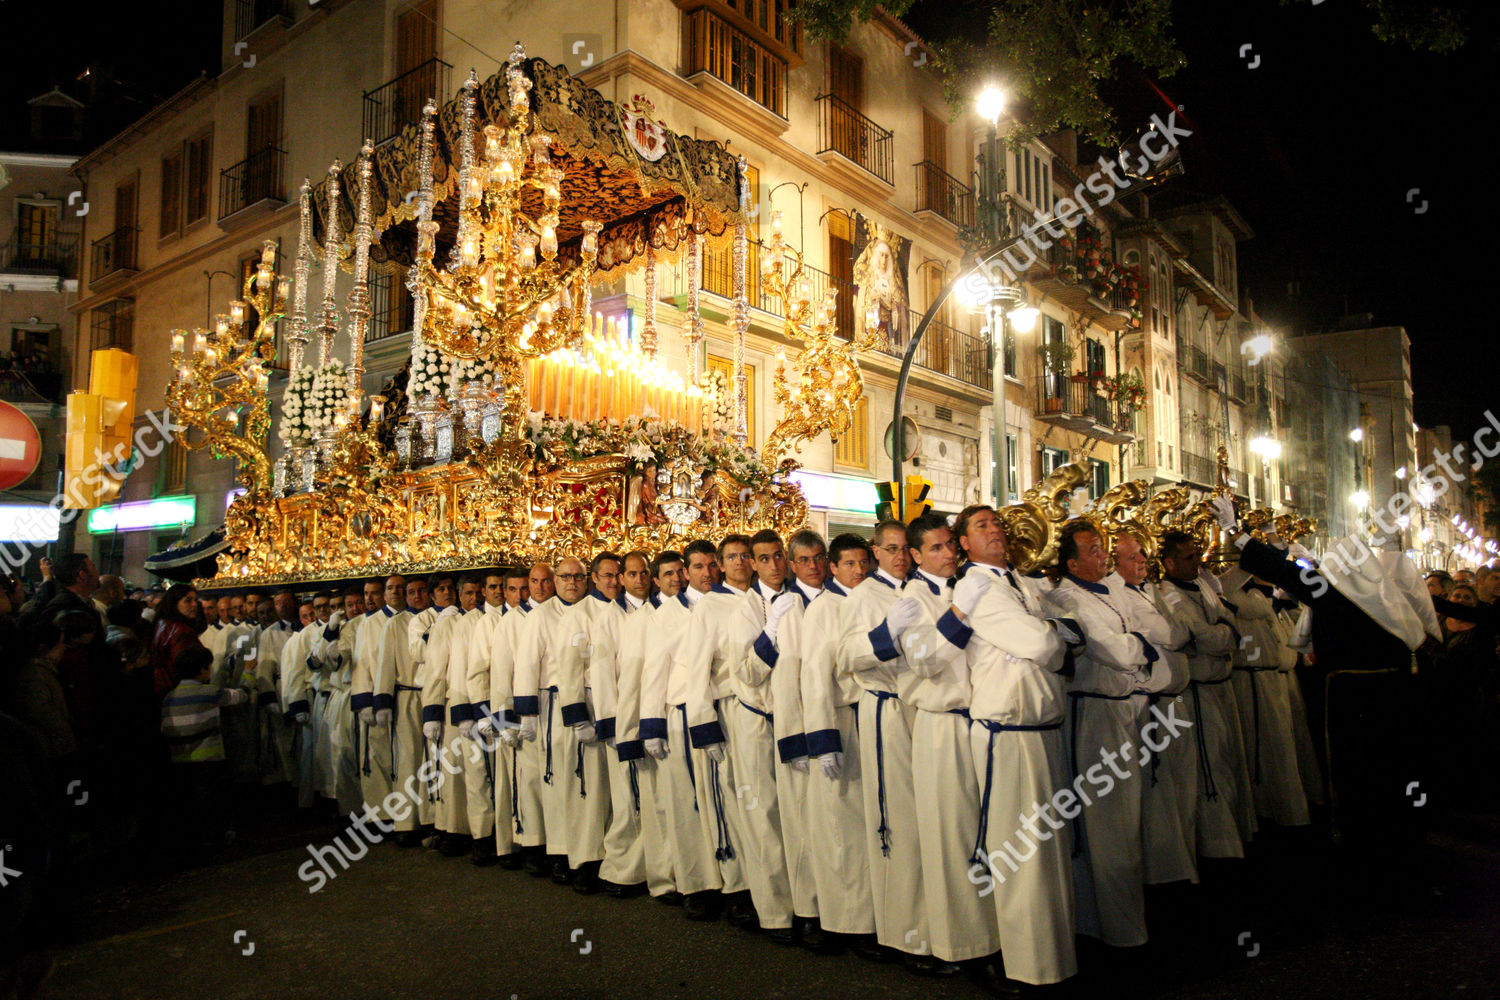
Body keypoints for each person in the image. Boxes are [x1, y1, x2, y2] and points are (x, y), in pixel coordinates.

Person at [921, 505, 1080, 989]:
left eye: (997, 523)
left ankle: (1052, 958)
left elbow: (1072, 629)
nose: (995, 530)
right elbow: (1043, 644)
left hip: (1043, 727)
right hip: (1007, 732)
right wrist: (1058, 636)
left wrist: (1059, 635)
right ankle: (1027, 969)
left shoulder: (1020, 583)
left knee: (1049, 851)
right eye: (981, 526)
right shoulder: (982, 589)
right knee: (1020, 851)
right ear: (963, 543)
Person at [1045, 520, 1160, 951]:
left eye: (1102, 547)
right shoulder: (1067, 598)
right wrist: (1140, 645)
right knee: (1108, 824)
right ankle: (1116, 930)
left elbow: (1146, 631)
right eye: (1092, 550)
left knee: (1127, 820)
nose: (1103, 555)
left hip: (1124, 707)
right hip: (1095, 712)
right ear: (1072, 562)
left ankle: (1121, 920)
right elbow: (1114, 648)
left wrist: (1138, 642)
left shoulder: (1108, 590)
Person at [836, 513, 935, 970]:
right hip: (888, 711)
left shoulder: (920, 588)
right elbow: (846, 655)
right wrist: (886, 632)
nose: (898, 557)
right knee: (897, 819)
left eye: (904, 550)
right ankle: (904, 933)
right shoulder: (864, 596)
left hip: (925, 712)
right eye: (890, 549)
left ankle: (937, 926)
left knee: (930, 820)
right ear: (876, 552)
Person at [677, 535, 771, 933]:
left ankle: (768, 885)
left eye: (744, 556)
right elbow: (695, 671)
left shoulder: (763, 599)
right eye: (729, 557)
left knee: (763, 803)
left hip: (765, 710)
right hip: (728, 710)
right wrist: (705, 727)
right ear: (720, 562)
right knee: (730, 799)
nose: (738, 563)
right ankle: (737, 887)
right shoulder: (709, 607)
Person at [791, 532, 878, 956]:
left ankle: (877, 917)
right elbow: (814, 676)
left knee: (871, 821)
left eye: (865, 563)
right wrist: (823, 738)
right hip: (842, 719)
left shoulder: (874, 598)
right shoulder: (824, 608)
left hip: (875, 718)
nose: (859, 571)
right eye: (850, 564)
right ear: (834, 567)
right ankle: (848, 922)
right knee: (841, 825)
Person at [1106, 533, 1196, 887]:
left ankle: (1182, 862)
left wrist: (1180, 628)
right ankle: (1164, 873)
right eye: (1133, 556)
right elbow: (1174, 635)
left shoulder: (1151, 590)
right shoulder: (1126, 597)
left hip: (1173, 699)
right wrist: (1180, 629)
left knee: (1180, 790)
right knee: (1159, 793)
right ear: (1116, 565)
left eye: (1143, 553)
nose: (1143, 560)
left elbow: (1178, 628)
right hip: (1153, 707)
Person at [1157, 530, 1252, 857]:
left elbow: (1230, 624)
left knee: (1227, 762)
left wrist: (1221, 632)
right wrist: (1223, 632)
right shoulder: (1169, 595)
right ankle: (1215, 847)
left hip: (1221, 685)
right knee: (1208, 768)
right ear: (1169, 563)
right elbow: (1208, 637)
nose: (1197, 562)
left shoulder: (1201, 585)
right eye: (1188, 557)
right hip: (1198, 692)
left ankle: (1232, 839)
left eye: (1197, 555)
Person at [615, 551, 685, 905]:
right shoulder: (641, 620)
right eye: (667, 574)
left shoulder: (692, 609)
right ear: (657, 580)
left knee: (685, 804)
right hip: (653, 721)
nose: (675, 579)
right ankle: (661, 879)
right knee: (657, 805)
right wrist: (631, 733)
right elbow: (631, 682)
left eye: (679, 572)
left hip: (685, 718)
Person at [515, 560, 587, 880]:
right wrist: (527, 714)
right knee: (558, 783)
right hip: (554, 707)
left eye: (578, 576)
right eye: (565, 577)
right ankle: (559, 851)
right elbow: (527, 663)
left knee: (586, 785)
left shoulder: (595, 610)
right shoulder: (541, 616)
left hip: (591, 706)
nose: (571, 582)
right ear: (556, 581)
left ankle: (587, 853)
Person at [159, 646, 248, 855]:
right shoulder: (209, 693)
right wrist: (249, 674)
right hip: (209, 758)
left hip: (180, 760)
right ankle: (215, 838)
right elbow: (240, 696)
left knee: (191, 803)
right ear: (202, 670)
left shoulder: (169, 697)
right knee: (213, 800)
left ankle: (195, 840)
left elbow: (164, 728)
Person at [149, 584, 207, 700]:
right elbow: (186, 668)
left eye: (195, 600)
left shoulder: (161, 624)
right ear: (174, 603)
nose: (195, 605)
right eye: (188, 601)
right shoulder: (182, 631)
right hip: (178, 693)